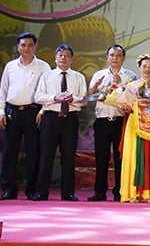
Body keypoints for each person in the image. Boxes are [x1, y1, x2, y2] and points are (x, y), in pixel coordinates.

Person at [32, 44, 88, 201]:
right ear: (55, 58)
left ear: (72, 59)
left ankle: (68, 193)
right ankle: (41, 192)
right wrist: (54, 98)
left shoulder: (78, 77)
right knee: (46, 156)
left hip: (70, 119)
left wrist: (72, 99)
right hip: (51, 118)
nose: (63, 58)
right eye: (60, 55)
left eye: (66, 55)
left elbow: (84, 100)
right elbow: (38, 97)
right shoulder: (46, 76)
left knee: (69, 157)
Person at [0, 32, 50, 201]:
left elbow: (49, 91)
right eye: (23, 45)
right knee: (9, 152)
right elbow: (3, 91)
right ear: (18, 47)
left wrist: (42, 111)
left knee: (33, 152)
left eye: (30, 45)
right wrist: (1, 112)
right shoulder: (10, 66)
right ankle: (8, 189)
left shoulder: (43, 67)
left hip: (33, 113)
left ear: (35, 46)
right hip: (12, 112)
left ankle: (32, 189)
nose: (26, 48)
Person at [87, 44, 137, 201]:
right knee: (101, 157)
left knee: (120, 158)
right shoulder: (98, 75)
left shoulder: (130, 76)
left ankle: (120, 191)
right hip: (102, 121)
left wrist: (121, 84)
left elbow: (133, 100)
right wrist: (94, 88)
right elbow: (89, 97)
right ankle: (99, 191)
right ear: (107, 57)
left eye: (118, 55)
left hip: (121, 121)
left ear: (123, 58)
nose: (114, 58)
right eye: (112, 55)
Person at [119, 53, 150, 203]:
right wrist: (126, 107)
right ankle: (132, 192)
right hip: (134, 125)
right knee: (133, 156)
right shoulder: (131, 86)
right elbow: (124, 106)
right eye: (144, 66)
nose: (147, 69)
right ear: (139, 67)